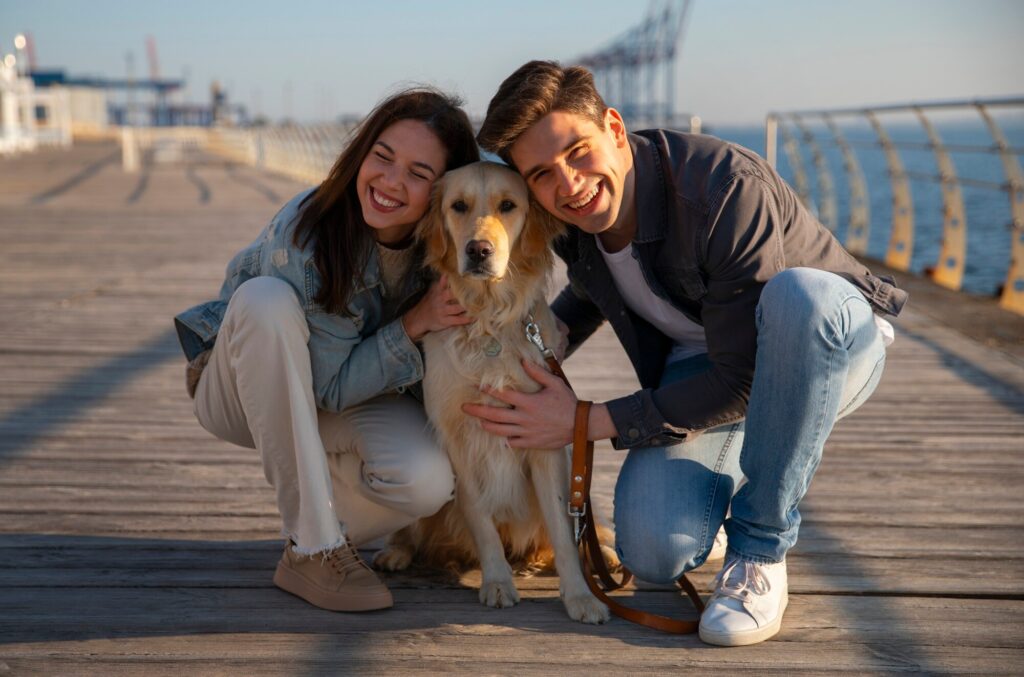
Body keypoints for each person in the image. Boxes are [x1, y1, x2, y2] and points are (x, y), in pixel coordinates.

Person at [466, 61, 906, 646]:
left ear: (616, 130)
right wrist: (524, 348)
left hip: (822, 343)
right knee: (653, 551)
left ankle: (760, 548)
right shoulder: (568, 217)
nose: (568, 183)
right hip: (705, 360)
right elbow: (596, 288)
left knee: (801, 297)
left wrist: (580, 422)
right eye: (542, 174)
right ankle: (730, 477)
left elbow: (746, 378)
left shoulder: (722, 188)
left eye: (577, 151)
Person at [174, 89, 479, 612]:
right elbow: (329, 388)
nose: (389, 182)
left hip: (341, 390)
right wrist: (414, 323)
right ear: (360, 152)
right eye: (381, 158)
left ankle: (311, 531)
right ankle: (315, 548)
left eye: (417, 172)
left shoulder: (445, 243)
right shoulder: (310, 233)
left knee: (427, 482)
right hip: (243, 385)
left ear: (443, 189)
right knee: (264, 301)